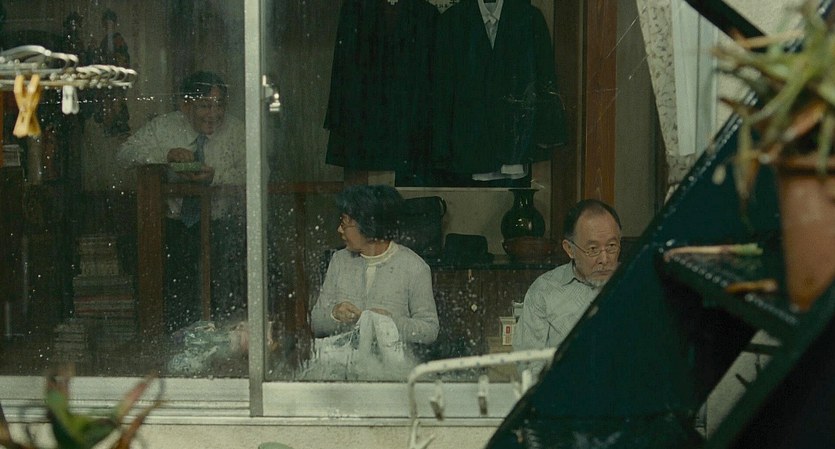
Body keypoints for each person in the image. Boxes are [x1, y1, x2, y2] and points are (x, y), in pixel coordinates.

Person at [117, 70, 246, 332]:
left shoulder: (237, 131)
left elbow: (258, 173)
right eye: (204, 106)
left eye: (219, 105)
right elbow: (124, 154)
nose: (213, 114)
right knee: (178, 307)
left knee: (222, 309)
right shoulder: (164, 127)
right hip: (175, 231)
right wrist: (165, 155)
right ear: (185, 105)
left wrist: (216, 176)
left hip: (222, 230)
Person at [309, 185, 439, 378]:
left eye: (345, 223)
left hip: (392, 378)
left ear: (369, 226)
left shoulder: (414, 267)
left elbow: (430, 331)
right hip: (342, 375)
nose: (339, 229)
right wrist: (335, 315)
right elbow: (315, 322)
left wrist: (390, 323)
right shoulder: (339, 261)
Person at [512, 199, 622, 375]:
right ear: (569, 249)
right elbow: (528, 364)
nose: (604, 259)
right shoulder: (544, 291)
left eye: (611, 246)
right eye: (593, 249)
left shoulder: (636, 285)